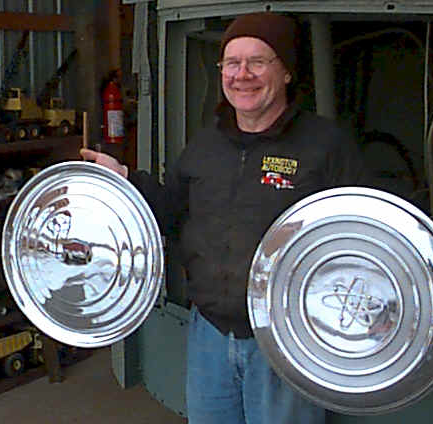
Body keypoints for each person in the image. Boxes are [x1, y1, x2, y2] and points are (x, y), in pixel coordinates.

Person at [81, 12, 366, 424]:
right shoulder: (207, 144)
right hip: (209, 334)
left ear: (285, 72)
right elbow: (170, 209)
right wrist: (124, 179)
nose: (242, 75)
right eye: (231, 63)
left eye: (258, 62)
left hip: (288, 344)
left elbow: (364, 240)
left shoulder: (325, 146)